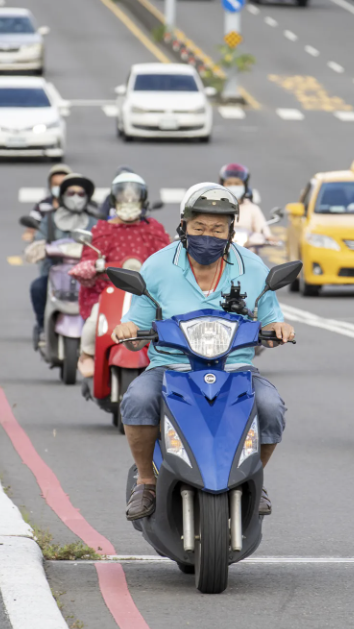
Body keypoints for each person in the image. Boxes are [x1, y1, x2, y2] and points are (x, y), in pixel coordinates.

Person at [114, 185, 295, 519]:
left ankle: (256, 476)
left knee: (270, 407)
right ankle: (146, 480)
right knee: (137, 400)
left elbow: (271, 320)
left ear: (230, 231)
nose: (207, 236)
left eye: (217, 229)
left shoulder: (252, 267)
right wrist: (128, 330)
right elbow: (135, 322)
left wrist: (278, 330)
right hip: (171, 368)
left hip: (236, 370)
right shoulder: (158, 266)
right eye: (199, 228)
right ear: (184, 225)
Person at [69, 172, 170, 379]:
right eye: (124, 199)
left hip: (146, 293)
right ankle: (87, 353)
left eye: (134, 199)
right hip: (110, 291)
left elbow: (167, 256)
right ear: (114, 200)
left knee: (168, 325)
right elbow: (87, 259)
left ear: (143, 200)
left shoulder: (153, 229)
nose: (129, 202)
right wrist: (96, 266)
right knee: (95, 321)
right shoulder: (103, 229)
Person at [25, 174, 99, 349]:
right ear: (62, 196)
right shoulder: (50, 220)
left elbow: (103, 243)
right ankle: (43, 327)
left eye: (81, 194)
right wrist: (39, 249)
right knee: (37, 287)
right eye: (71, 193)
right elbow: (39, 239)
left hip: (87, 276)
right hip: (55, 273)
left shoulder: (95, 222)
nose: (75, 198)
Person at [220, 163, 275, 248]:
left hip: (248, 252)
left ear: (245, 186)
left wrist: (269, 237)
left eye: (237, 184)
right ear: (222, 185)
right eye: (229, 183)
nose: (233, 186)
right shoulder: (217, 207)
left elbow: (262, 228)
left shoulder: (252, 208)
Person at [23, 164, 72, 242]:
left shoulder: (77, 206)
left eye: (62, 185)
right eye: (55, 185)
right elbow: (31, 229)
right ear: (50, 186)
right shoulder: (42, 206)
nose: (59, 188)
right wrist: (30, 234)